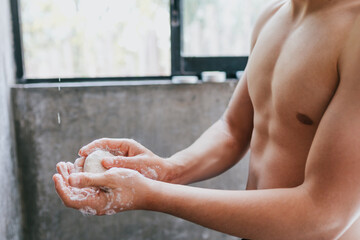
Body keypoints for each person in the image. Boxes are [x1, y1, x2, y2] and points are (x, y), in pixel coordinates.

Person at [53, 0, 360, 239]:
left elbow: (324, 214)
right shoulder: (274, 15)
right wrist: (167, 170)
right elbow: (234, 129)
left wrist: (150, 194)